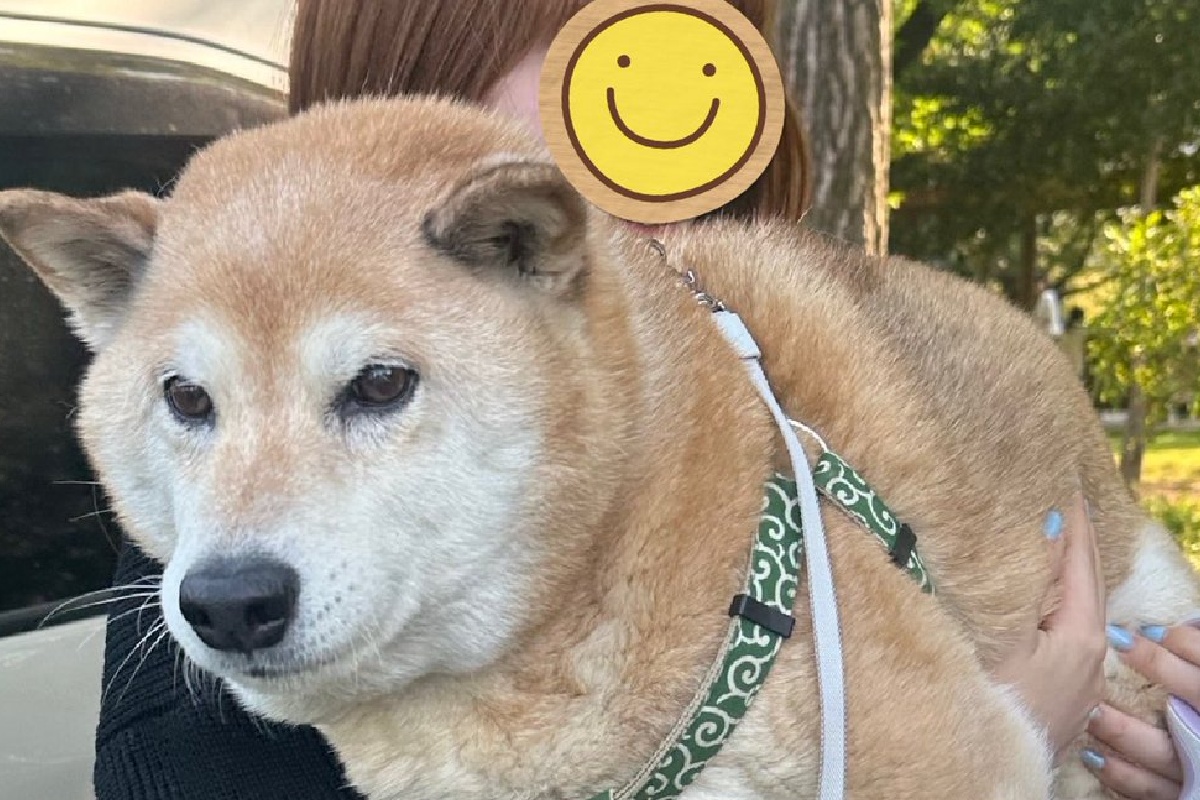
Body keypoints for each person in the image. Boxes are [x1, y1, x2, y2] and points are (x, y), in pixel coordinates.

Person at [91, 2, 1133, 798]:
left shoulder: (777, 374)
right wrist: (1019, 739)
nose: (656, 134)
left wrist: (1155, 736)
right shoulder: (216, 617)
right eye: (597, 85)